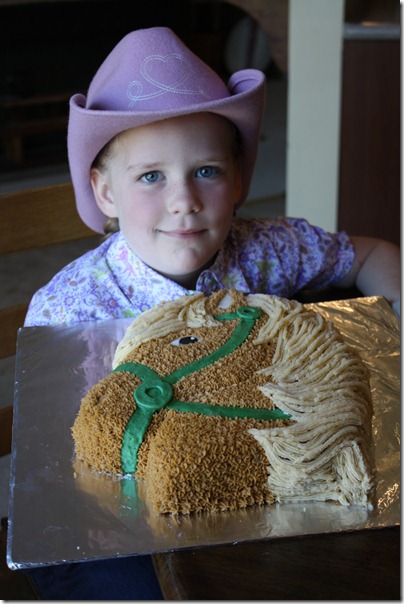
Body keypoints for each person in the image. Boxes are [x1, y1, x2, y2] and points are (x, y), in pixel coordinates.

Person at [23, 26, 400, 599]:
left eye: (207, 171)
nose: (184, 200)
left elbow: (372, 255)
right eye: (151, 176)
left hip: (255, 485)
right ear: (105, 193)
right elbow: (64, 472)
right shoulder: (66, 309)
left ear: (238, 177)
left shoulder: (266, 250)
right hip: (121, 514)